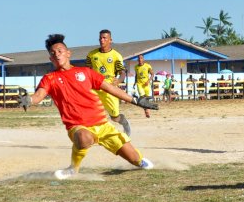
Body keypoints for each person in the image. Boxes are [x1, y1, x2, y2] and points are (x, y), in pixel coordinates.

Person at [27, 34, 158, 179]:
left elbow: (111, 89)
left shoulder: (85, 72)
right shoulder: (49, 78)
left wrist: (136, 101)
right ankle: (73, 168)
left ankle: (139, 161)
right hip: (77, 126)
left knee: (136, 160)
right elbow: (38, 96)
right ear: (50, 59)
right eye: (53, 53)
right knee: (84, 138)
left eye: (60, 51)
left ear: (68, 53)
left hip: (102, 125)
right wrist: (28, 100)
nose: (57, 55)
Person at [86, 29, 132, 135]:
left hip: (110, 89)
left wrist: (119, 80)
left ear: (110, 40)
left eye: (104, 38)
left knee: (115, 117)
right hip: (95, 88)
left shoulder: (116, 56)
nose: (102, 40)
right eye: (100, 38)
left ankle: (124, 122)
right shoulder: (91, 55)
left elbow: (122, 73)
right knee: (89, 111)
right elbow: (87, 71)